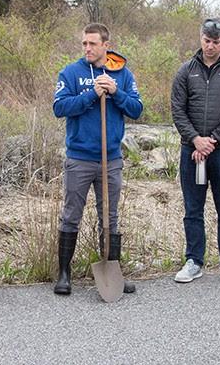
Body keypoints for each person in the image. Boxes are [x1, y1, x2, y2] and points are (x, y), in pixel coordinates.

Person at [52, 23, 143, 295]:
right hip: (79, 158)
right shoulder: (71, 73)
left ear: (106, 45)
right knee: (71, 216)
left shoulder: (123, 74)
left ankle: (111, 269)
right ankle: (64, 274)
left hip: (110, 159)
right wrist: (92, 93)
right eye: (84, 44)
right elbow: (60, 107)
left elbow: (137, 109)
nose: (87, 48)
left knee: (110, 218)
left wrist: (116, 92)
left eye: (93, 44)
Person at [171, 18, 220, 288]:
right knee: (193, 209)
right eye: (207, 40)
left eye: (216, 41)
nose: (211, 46)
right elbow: (177, 110)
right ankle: (194, 261)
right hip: (191, 152)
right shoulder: (186, 71)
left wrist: (212, 141)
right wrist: (195, 140)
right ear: (200, 38)